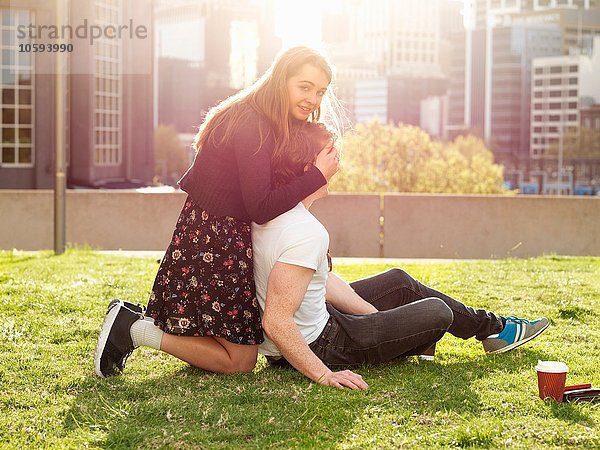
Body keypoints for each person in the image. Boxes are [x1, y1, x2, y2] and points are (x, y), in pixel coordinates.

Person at [94, 46, 343, 378]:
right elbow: (261, 206)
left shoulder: (256, 114)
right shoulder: (253, 123)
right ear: (281, 80)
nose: (313, 99)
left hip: (219, 235)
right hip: (214, 241)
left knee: (232, 348)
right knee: (240, 362)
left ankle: (132, 321)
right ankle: (133, 329)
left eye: (320, 91)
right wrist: (317, 175)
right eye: (305, 87)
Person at [252, 121, 550, 390]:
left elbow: (322, 284)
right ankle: (423, 339)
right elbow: (276, 321)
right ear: (309, 169)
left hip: (321, 322)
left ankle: (494, 329)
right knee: (437, 312)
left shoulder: (274, 213)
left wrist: (378, 318)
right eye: (330, 155)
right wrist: (324, 375)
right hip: (321, 345)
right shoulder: (305, 231)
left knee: (399, 282)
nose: (337, 165)